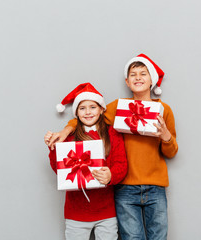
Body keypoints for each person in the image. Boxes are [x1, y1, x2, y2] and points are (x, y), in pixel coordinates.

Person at [47, 54, 178, 240]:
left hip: (156, 186)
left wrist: (166, 137)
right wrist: (67, 128)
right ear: (127, 81)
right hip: (124, 187)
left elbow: (172, 152)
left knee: (159, 236)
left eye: (143, 73)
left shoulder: (164, 110)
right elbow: (90, 115)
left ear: (152, 80)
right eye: (133, 74)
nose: (138, 77)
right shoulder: (118, 107)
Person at [44, 82, 127, 240]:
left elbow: (121, 165)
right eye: (82, 108)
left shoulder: (113, 134)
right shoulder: (68, 137)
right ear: (76, 112)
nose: (88, 112)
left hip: (106, 211)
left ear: (102, 109)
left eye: (93, 107)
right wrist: (53, 148)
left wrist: (111, 175)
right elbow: (59, 169)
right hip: (76, 213)